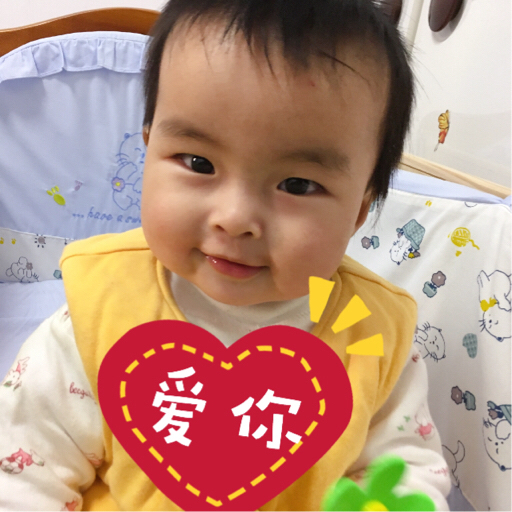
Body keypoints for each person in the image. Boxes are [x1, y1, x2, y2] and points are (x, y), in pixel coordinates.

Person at [0, 0, 451, 510]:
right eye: (198, 162)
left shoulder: (372, 336)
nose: (235, 218)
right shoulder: (97, 310)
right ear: (148, 151)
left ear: (359, 212)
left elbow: (405, 465)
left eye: (297, 185)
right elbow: (23, 471)